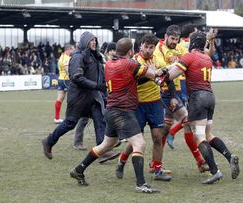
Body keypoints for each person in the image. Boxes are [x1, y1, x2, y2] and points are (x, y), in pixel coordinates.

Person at [70, 38, 162, 193]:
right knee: (140, 144)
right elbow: (152, 73)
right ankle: (141, 184)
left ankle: (79, 169)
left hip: (111, 110)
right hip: (123, 111)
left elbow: (133, 78)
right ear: (131, 51)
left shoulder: (110, 64)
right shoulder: (130, 64)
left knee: (106, 145)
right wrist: (157, 69)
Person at [161, 31, 240, 184]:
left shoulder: (189, 56)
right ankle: (230, 157)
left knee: (199, 137)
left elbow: (172, 75)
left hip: (197, 99)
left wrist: (162, 75)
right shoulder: (206, 58)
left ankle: (215, 171)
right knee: (209, 135)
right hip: (210, 96)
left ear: (192, 43)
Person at [41, 31, 119, 162]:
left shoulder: (95, 56)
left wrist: (103, 88)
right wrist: (96, 86)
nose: (94, 42)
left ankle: (102, 150)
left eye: (95, 40)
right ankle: (49, 141)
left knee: (100, 120)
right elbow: (77, 77)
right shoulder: (78, 57)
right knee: (70, 123)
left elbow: (100, 75)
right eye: (91, 40)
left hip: (93, 96)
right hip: (79, 98)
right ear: (85, 42)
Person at [115, 33, 172, 181]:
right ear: (140, 46)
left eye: (151, 47)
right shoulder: (134, 61)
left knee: (157, 137)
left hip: (155, 103)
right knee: (135, 140)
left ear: (154, 48)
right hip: (137, 105)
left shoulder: (158, 60)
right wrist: (150, 74)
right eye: (145, 46)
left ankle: (157, 170)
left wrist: (172, 96)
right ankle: (121, 161)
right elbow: (133, 82)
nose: (148, 50)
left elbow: (166, 78)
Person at [153, 24, 209, 173]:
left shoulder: (180, 48)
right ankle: (200, 161)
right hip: (165, 92)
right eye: (172, 38)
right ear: (165, 36)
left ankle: (154, 164)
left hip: (177, 91)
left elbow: (191, 57)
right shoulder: (158, 49)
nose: (174, 42)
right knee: (187, 122)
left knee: (164, 130)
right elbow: (164, 71)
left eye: (176, 39)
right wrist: (179, 63)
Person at [166, 25, 217, 149]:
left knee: (190, 117)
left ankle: (172, 133)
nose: (197, 33)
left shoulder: (195, 46)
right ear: (189, 34)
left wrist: (211, 40)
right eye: (194, 32)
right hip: (179, 83)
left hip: (187, 82)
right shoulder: (182, 45)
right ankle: (169, 134)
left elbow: (209, 53)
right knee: (185, 118)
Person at [53, 44, 75, 124]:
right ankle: (70, 117)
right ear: (68, 49)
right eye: (73, 49)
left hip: (60, 79)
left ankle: (56, 118)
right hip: (66, 80)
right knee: (72, 98)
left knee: (60, 99)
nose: (73, 51)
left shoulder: (61, 57)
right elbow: (66, 69)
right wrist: (72, 77)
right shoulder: (66, 58)